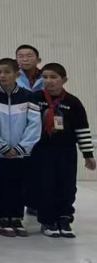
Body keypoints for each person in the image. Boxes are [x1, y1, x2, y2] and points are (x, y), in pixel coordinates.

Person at [31, 62, 96, 238]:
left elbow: (82, 129)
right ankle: (48, 220)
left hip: (65, 151)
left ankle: (64, 219)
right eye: (45, 77)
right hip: (41, 151)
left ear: (64, 80)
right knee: (45, 186)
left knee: (67, 186)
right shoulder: (34, 98)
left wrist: (88, 155)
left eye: (54, 77)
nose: (49, 81)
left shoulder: (73, 102)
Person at [0, 57, 40, 237]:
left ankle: (16, 218)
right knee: (0, 185)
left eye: (7, 72)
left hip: (21, 153)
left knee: (20, 185)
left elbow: (34, 126)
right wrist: (1, 147)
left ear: (17, 74)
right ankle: (1, 218)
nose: (2, 75)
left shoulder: (28, 96)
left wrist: (21, 148)